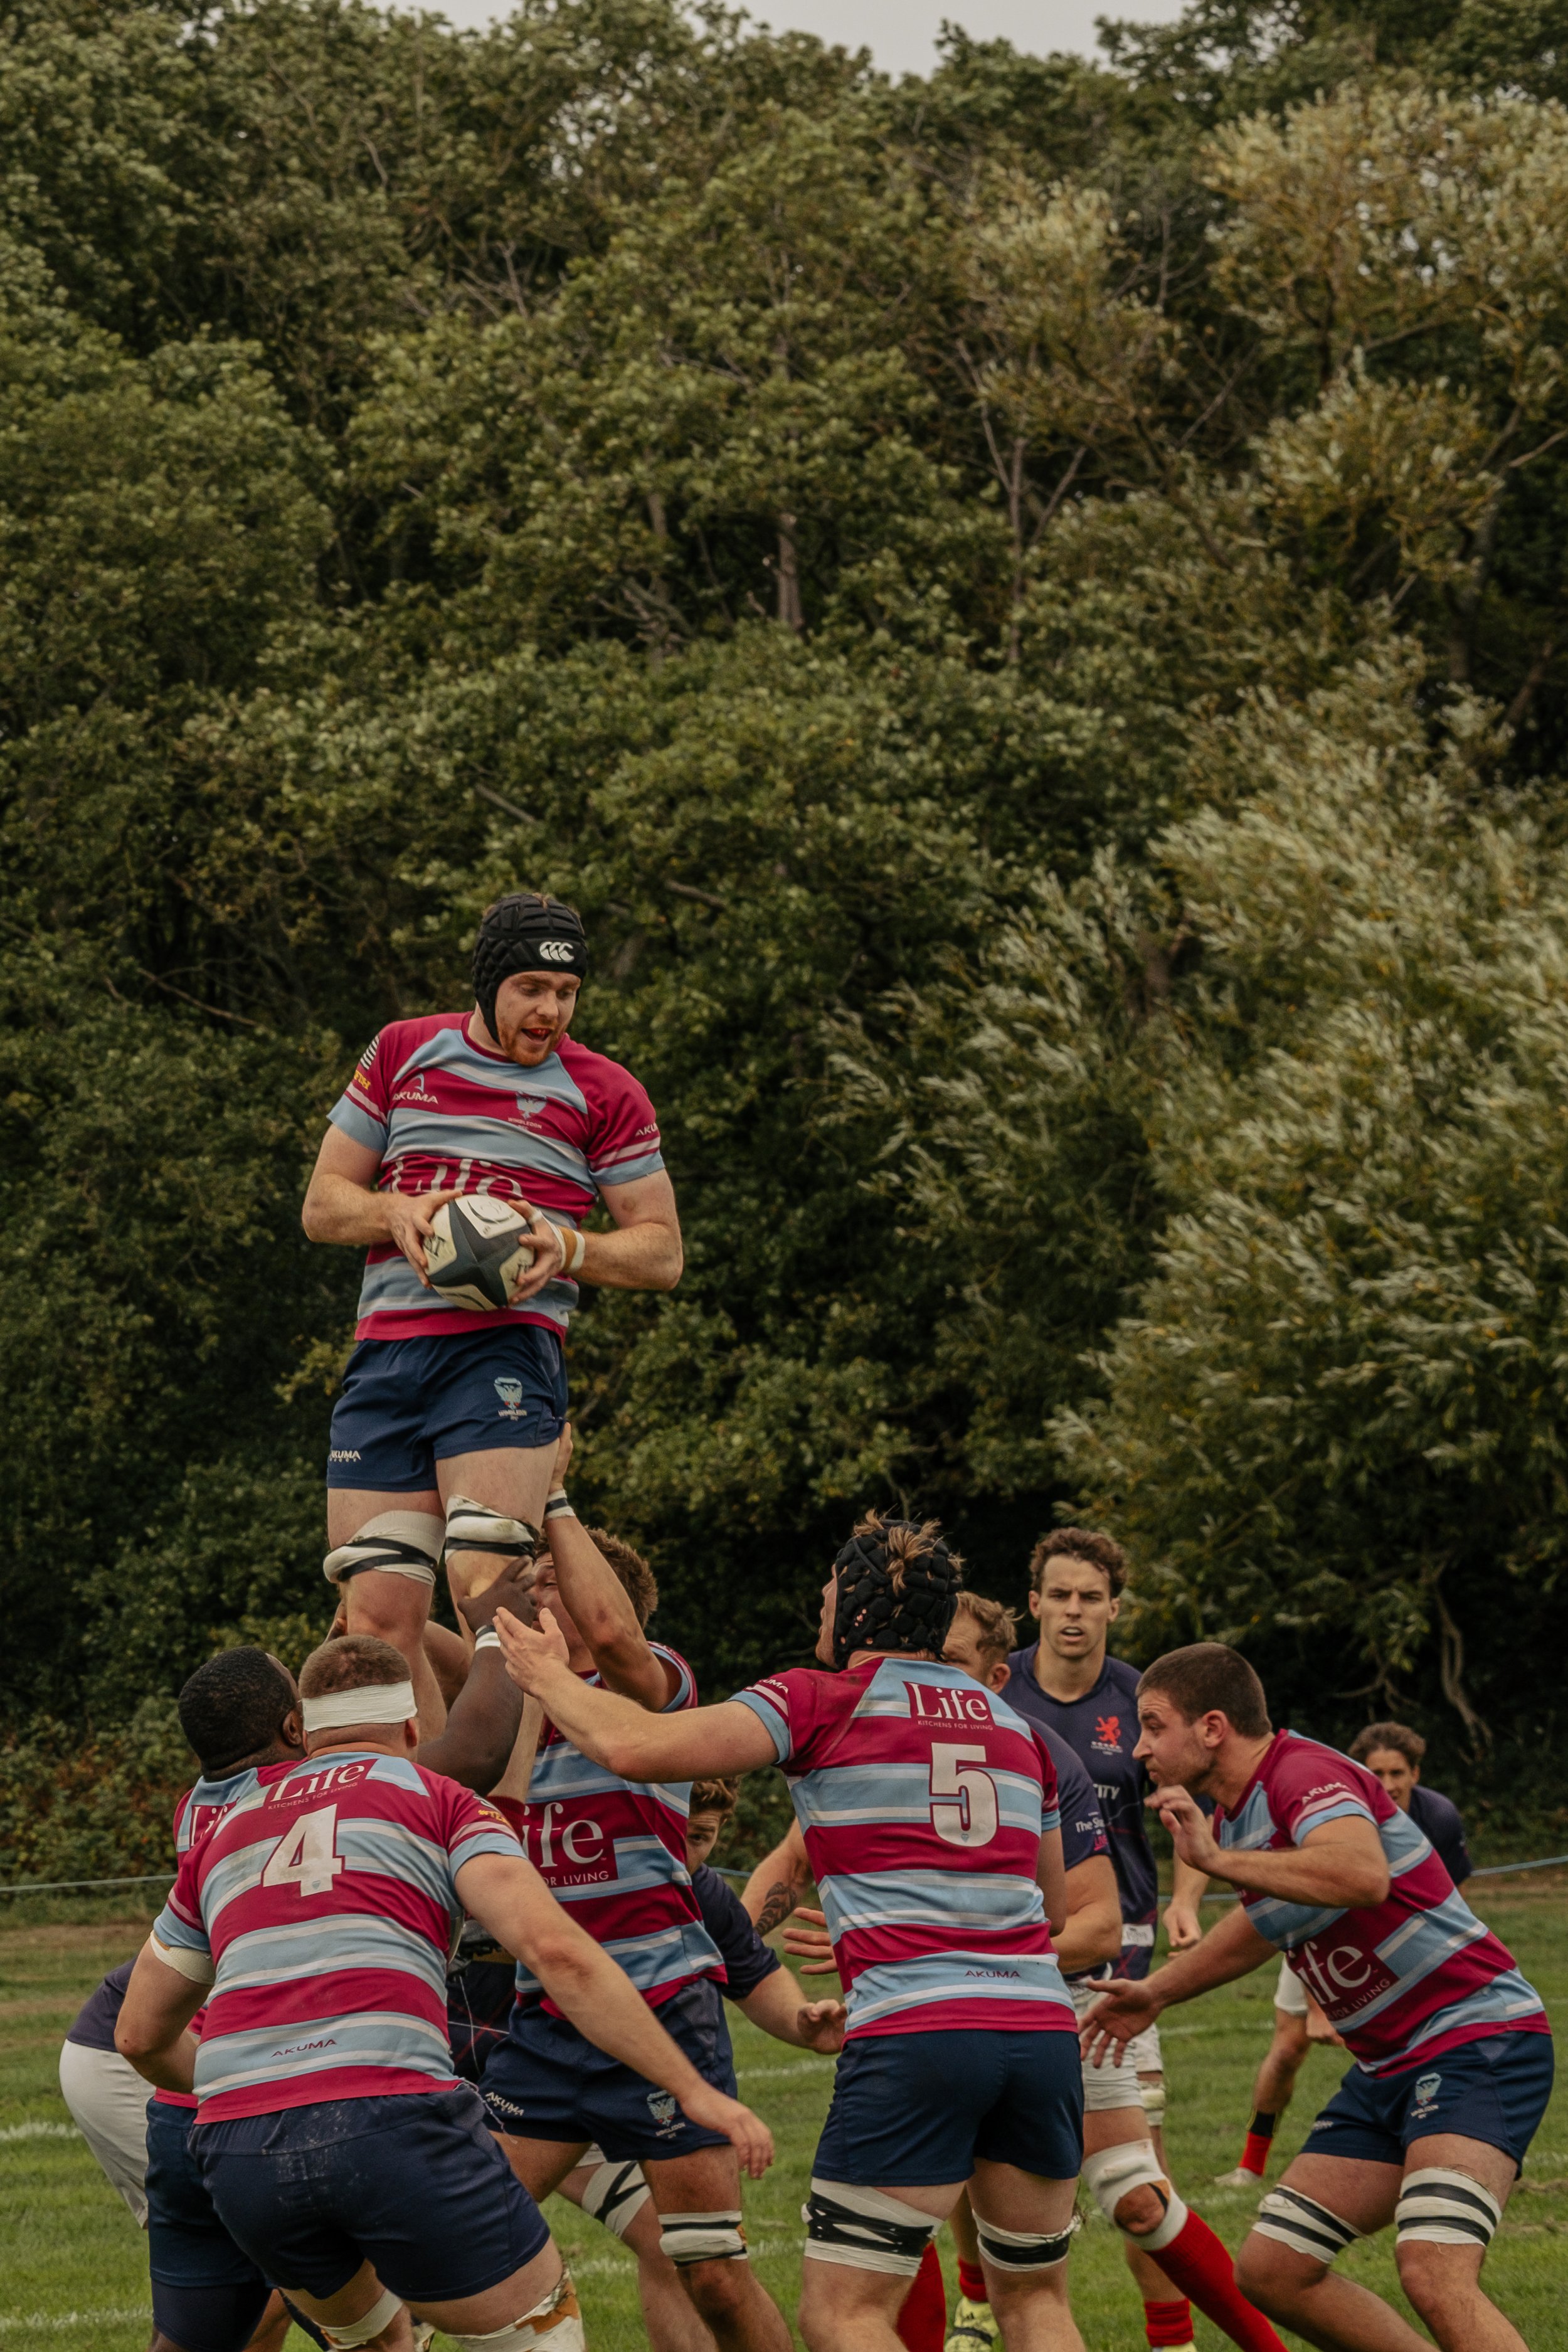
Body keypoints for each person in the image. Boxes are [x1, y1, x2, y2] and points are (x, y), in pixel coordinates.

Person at [495, 1512, 1090, 2352]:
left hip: (920, 2026)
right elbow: (1054, 1904)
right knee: (1036, 2302)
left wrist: (544, 1673)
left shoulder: (819, 1699)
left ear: (851, 1608)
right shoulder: (1017, 1729)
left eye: (825, 1597)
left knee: (845, 2313)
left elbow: (634, 1743)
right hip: (1038, 2025)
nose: (819, 1610)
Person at [117, 1633, 772, 2352]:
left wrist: (253, 2093)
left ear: (305, 1731)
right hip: (388, 2121)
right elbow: (558, 1953)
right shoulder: (438, 1798)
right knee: (538, 2336)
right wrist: (691, 2087)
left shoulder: (222, 1831)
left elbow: (139, 2035)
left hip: (240, 2154)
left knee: (384, 2343)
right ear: (410, 1729)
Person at [1081, 1643, 1553, 2352]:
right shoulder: (1241, 1812)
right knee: (1274, 2271)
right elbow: (1262, 1925)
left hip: (1473, 2040)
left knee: (1432, 2270)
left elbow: (1361, 1874)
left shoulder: (1301, 1773)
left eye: (1153, 1725)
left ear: (1212, 1727)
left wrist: (1213, 1863)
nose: (1140, 1747)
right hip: (1389, 2067)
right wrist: (1154, 1993)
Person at [300, 889, 682, 1737]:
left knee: (487, 1579)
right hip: (387, 1360)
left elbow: (662, 1252)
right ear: (488, 983)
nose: (550, 1010)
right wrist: (394, 1211)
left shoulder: (605, 1090)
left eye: (567, 993)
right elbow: (324, 1205)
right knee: (376, 1619)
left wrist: (570, 1246)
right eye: (530, 990)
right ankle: (418, 1817)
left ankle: (495, 1818)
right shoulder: (404, 1051)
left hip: (504, 1352)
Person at [476, 1451, 801, 2352]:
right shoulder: (513, 1710)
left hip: (662, 2009)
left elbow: (615, 1633)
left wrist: (552, 1492)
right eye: (535, 1583)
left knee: (717, 2280)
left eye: (552, 1583)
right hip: (547, 2024)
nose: (540, 1596)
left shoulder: (648, 1688)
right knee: (463, 2242)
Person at [1003, 1530, 1242, 2352]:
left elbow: (1190, 1815)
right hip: (1009, 1955)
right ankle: (978, 2302)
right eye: (1059, 1595)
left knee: (1139, 2177)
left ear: (1114, 1606)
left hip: (1119, 1954)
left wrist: (1185, 1900)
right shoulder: (997, 1691)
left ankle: (1171, 2336)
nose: (1074, 1612)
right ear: (1033, 1602)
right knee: (989, 2156)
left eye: (1090, 1597)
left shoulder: (1139, 1697)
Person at [550, 1779, 848, 2352]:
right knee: (461, 2243)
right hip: (527, 2079)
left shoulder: (701, 1892)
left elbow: (755, 1974)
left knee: (702, 2267)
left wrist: (802, 2021)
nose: (681, 1853)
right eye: (670, 1834)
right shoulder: (560, 1876)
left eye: (701, 1838)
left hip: (655, 2088)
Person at [1217, 1718, 1476, 2190]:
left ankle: (1453, 2149)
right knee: (1290, 2047)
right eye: (1378, 1773)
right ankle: (1251, 2164)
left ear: (1416, 1773)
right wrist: (1320, 2007)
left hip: (1399, 1940)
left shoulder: (1439, 1817)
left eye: (1399, 1773)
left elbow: (1448, 1903)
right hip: (1314, 1933)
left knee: (1425, 2042)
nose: (1389, 1784)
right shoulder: (1332, 1810)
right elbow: (1315, 1913)